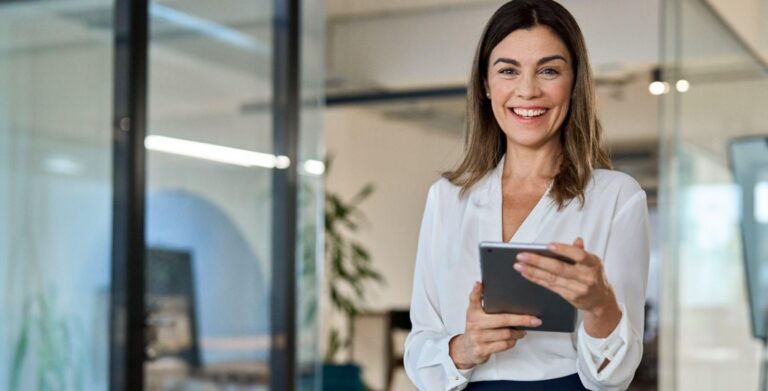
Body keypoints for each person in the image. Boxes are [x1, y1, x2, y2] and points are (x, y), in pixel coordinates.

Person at [403, 0, 650, 390]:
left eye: (549, 70)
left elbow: (613, 378)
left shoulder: (616, 198)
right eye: (508, 71)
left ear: (575, 82)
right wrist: (465, 348)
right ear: (486, 85)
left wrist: (600, 305)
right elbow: (420, 352)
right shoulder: (447, 199)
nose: (528, 90)